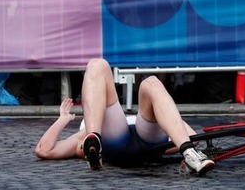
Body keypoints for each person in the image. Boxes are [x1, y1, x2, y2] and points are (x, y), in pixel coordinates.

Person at [35, 58, 215, 175]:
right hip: (115, 139)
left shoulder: (87, 132)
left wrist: (163, 114)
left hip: (142, 137)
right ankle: (95, 140)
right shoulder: (82, 135)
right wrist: (62, 120)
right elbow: (44, 150)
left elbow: (192, 136)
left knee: (151, 82)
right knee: (96, 64)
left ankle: (189, 153)